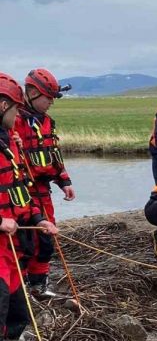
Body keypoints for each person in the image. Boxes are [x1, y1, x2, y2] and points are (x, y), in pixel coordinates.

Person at [0, 73, 58, 339]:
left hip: (10, 248)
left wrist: (38, 219)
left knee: (18, 315)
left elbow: (21, 190)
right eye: (15, 108)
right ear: (3, 107)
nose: (17, 115)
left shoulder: (10, 143)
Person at [13, 68, 74, 298]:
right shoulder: (15, 121)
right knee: (25, 242)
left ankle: (39, 286)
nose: (50, 103)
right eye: (48, 98)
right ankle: (22, 287)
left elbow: (54, 156)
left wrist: (64, 181)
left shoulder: (47, 123)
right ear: (32, 93)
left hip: (43, 190)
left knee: (46, 239)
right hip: (21, 192)